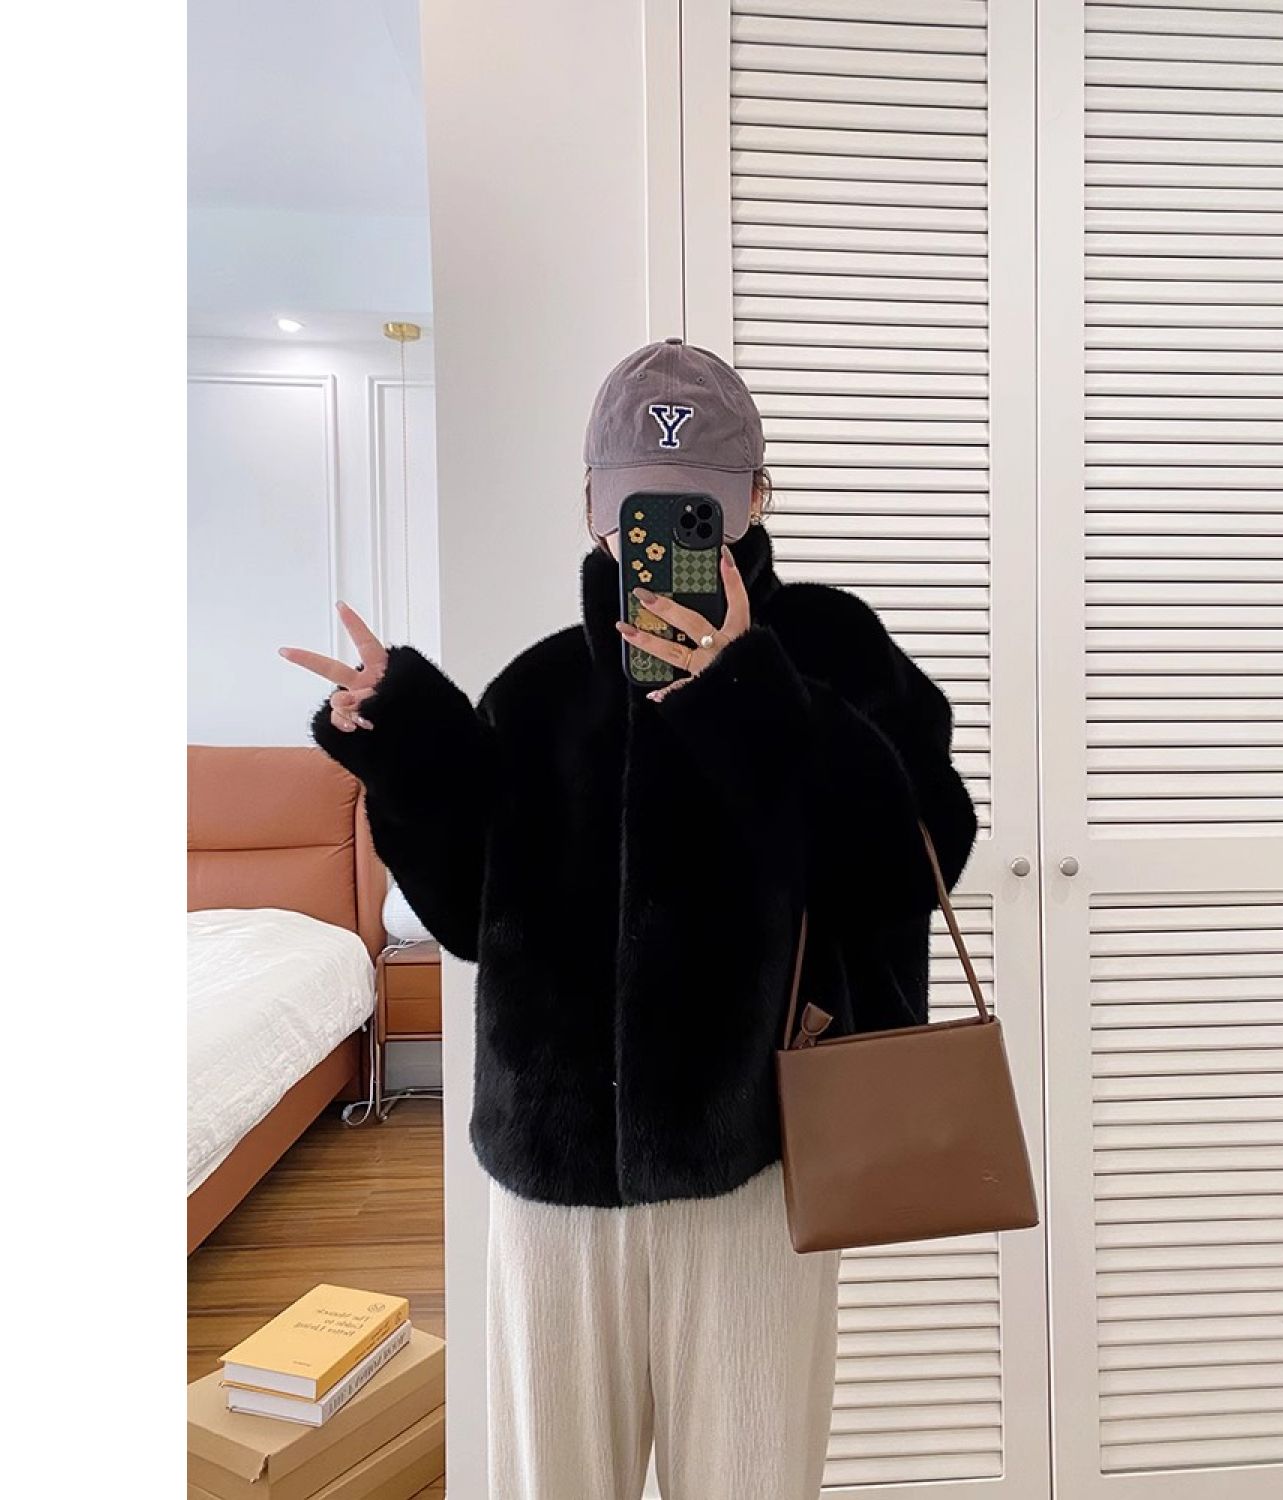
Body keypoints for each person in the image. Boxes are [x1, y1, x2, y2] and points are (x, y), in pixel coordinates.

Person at [282, 338, 978, 1500]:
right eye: (639, 505)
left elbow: (915, 861)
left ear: (755, 501)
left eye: (697, 506)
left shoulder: (833, 652)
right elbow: (471, 918)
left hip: (759, 1166)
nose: (661, 534)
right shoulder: (540, 688)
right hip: (552, 1183)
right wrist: (408, 745)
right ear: (593, 510)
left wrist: (751, 695)